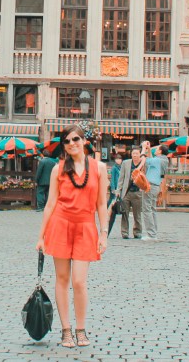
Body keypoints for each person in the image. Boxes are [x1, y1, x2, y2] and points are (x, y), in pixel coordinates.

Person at [36, 124, 109, 349]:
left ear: (84, 141)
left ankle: (81, 328)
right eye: (66, 141)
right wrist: (41, 236)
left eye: (75, 139)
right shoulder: (58, 169)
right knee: (62, 279)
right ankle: (66, 329)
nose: (71, 144)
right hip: (60, 224)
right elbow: (50, 204)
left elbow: (102, 204)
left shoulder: (99, 168)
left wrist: (103, 233)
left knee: (79, 281)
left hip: (85, 226)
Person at [115, 148, 145, 240]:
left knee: (137, 214)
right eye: (133, 153)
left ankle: (137, 232)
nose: (135, 155)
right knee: (125, 213)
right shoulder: (126, 163)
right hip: (126, 192)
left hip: (138, 192)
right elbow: (121, 178)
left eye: (137, 153)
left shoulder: (143, 164)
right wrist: (118, 191)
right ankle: (125, 232)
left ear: (140, 154)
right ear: (131, 154)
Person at [142, 145, 164, 239]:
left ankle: (151, 234)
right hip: (156, 186)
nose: (156, 149)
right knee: (152, 209)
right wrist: (149, 150)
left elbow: (144, 160)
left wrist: (143, 149)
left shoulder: (157, 160)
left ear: (160, 151)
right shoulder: (162, 160)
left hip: (150, 186)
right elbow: (151, 159)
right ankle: (153, 232)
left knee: (147, 209)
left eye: (158, 149)